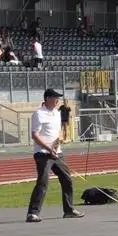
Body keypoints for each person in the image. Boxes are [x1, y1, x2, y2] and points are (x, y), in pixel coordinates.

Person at [26, 88, 84, 223]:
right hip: (43, 154)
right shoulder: (38, 114)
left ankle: (69, 210)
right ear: (47, 99)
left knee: (67, 179)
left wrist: (59, 141)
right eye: (55, 98)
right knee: (43, 182)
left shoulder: (57, 113)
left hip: (57, 153)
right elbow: (35, 135)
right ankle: (33, 213)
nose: (57, 100)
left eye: (58, 98)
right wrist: (48, 148)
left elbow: (57, 131)